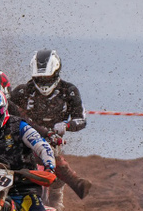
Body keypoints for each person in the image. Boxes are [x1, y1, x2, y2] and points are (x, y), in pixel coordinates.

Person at [8, 49, 92, 199]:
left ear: (56, 73)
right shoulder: (22, 91)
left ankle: (60, 192)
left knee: (54, 165)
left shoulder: (69, 91)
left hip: (52, 140)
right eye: (40, 78)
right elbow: (5, 110)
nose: (43, 82)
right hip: (22, 137)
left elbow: (81, 119)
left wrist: (66, 125)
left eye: (47, 78)